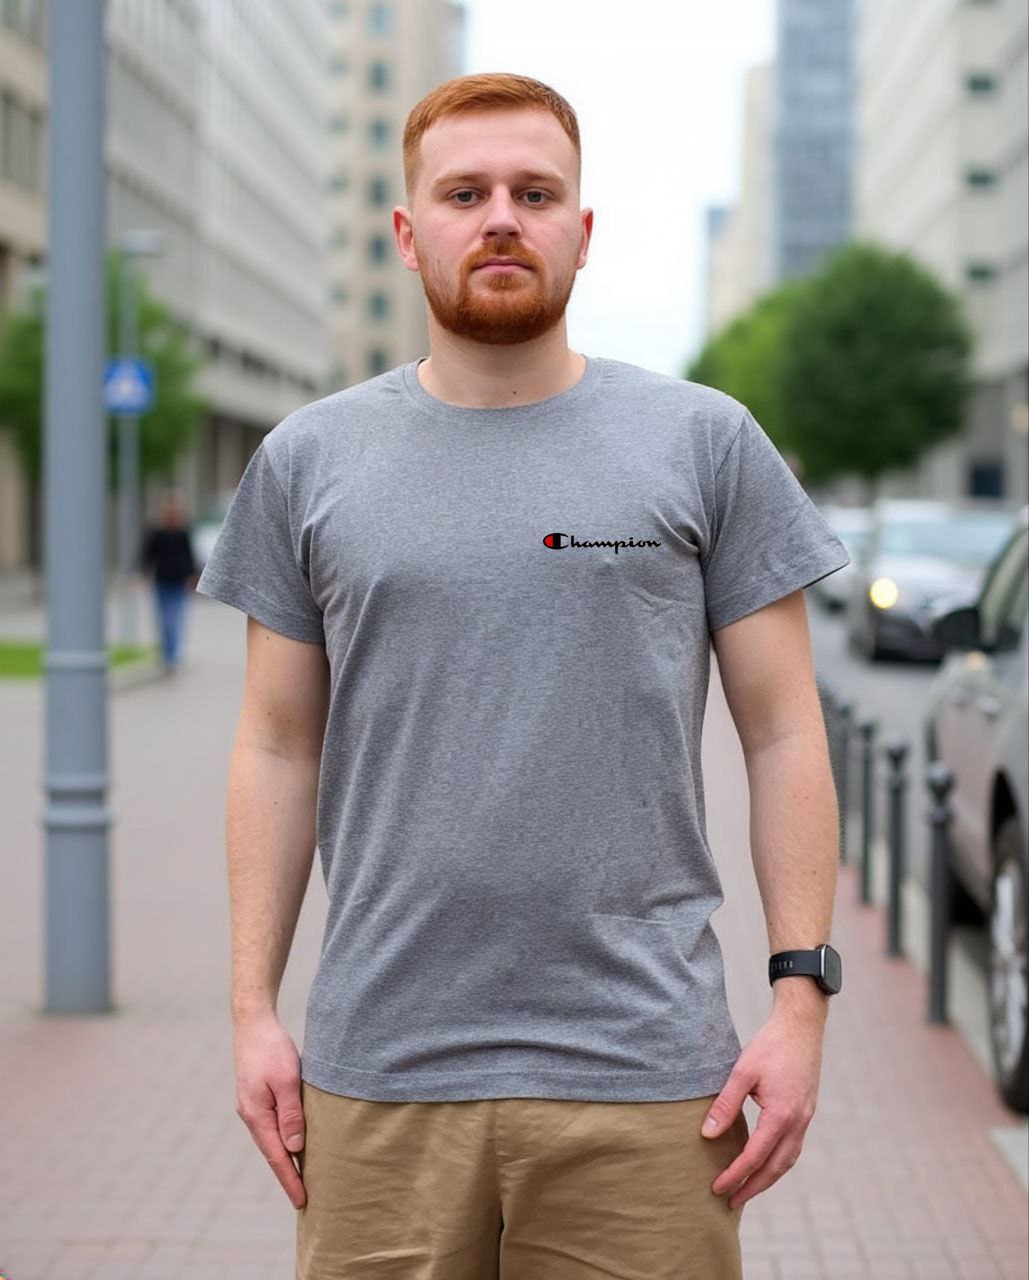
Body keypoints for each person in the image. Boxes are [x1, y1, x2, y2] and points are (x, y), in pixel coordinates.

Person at [196, 72, 851, 1280]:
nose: (501, 216)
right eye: (466, 194)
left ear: (582, 231)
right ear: (408, 235)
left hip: (648, 1077)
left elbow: (784, 732)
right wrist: (250, 1010)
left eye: (535, 193)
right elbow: (276, 746)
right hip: (381, 1074)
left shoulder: (706, 442)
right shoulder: (306, 460)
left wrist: (800, 997)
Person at [139, 487, 197, 675]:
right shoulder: (157, 533)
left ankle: (172, 655)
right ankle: (166, 652)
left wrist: (191, 576)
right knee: (163, 619)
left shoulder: (183, 533)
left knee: (174, 619)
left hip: (178, 582)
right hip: (162, 581)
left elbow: (189, 556)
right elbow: (148, 556)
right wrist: (143, 574)